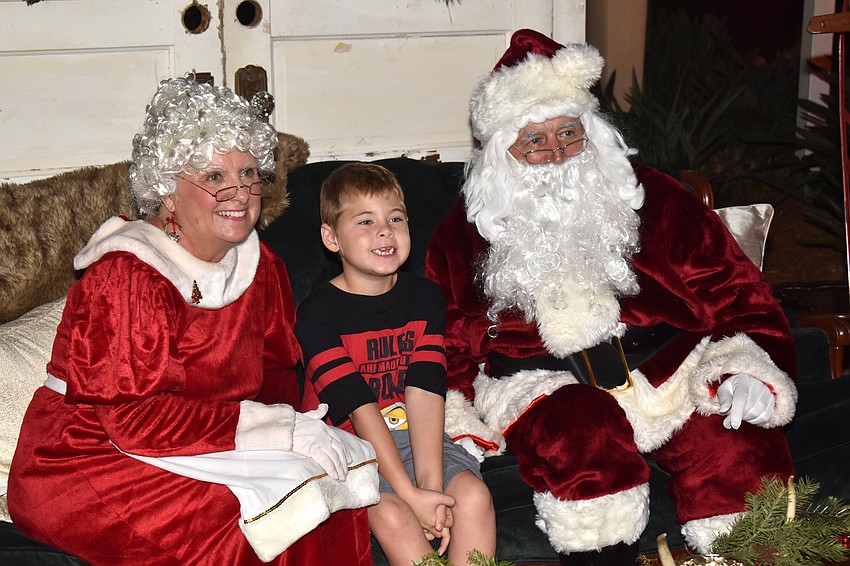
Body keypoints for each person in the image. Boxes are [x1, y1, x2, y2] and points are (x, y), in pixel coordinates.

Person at [424, 29, 798, 566]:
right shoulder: (466, 232)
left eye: (569, 133)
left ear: (592, 132)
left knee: (736, 442)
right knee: (581, 433)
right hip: (544, 384)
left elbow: (741, 294)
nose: (556, 153)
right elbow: (443, 344)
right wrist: (456, 429)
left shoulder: (656, 197)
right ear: (502, 149)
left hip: (669, 370)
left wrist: (749, 368)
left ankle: (755, 556)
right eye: (535, 139)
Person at [8, 76, 379, 565]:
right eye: (213, 177)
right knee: (249, 520)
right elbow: (131, 419)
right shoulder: (126, 275)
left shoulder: (260, 264)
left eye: (249, 174)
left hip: (205, 440)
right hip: (90, 457)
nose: (239, 192)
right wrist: (277, 431)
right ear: (167, 191)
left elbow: (274, 377)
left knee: (328, 482)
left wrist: (299, 435)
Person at [295, 163, 496, 566]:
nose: (385, 231)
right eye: (366, 221)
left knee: (473, 497)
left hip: (417, 438)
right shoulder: (317, 313)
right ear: (331, 238)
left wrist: (429, 490)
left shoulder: (424, 297)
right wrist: (409, 496)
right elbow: (358, 406)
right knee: (393, 514)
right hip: (347, 449)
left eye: (395, 218)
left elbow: (425, 390)